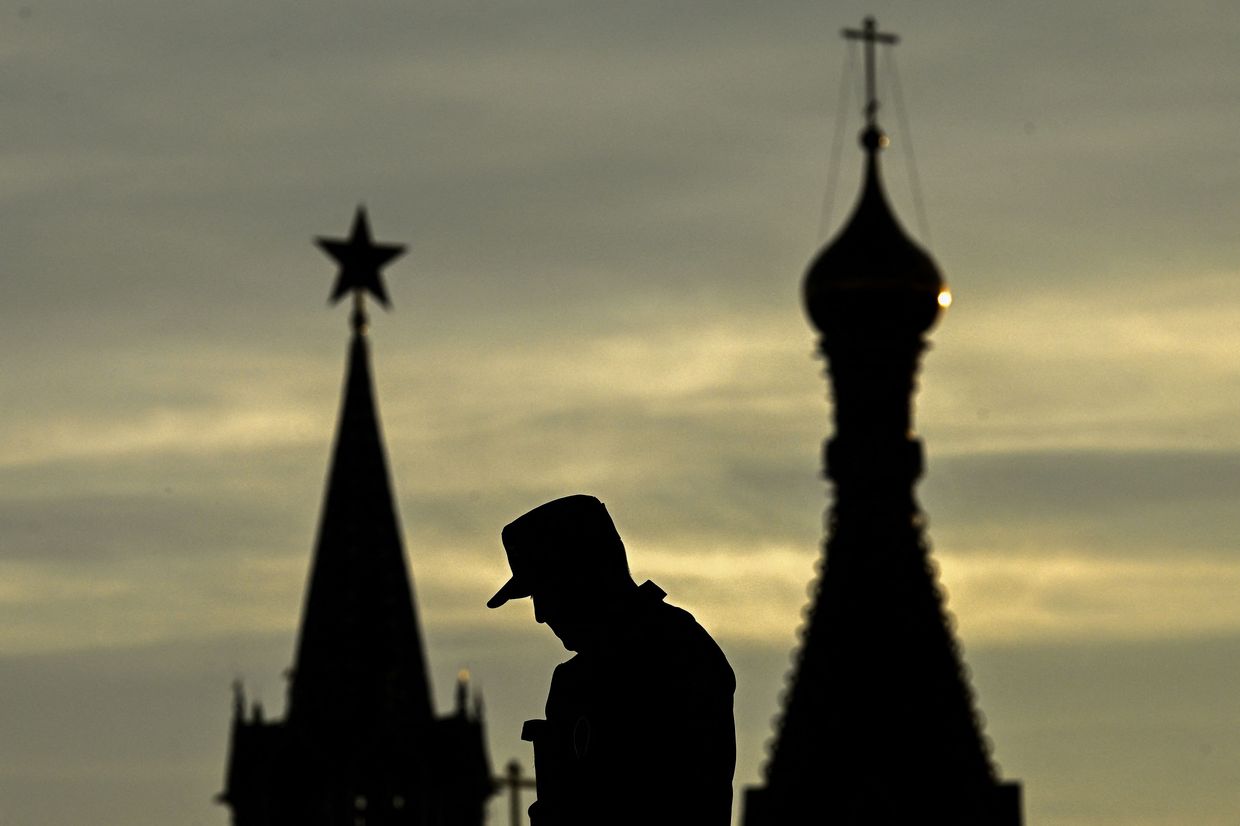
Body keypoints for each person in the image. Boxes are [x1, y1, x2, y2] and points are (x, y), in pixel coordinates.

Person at [487, 494, 736, 826]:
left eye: (543, 591)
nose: (540, 615)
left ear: (585, 575)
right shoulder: (573, 682)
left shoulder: (678, 655)